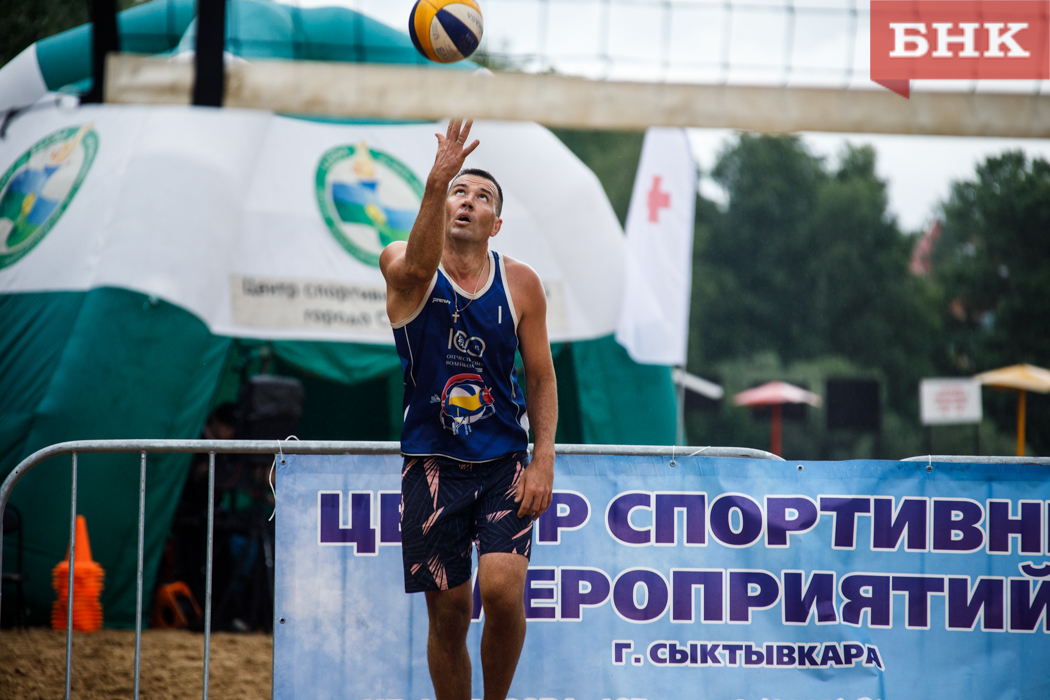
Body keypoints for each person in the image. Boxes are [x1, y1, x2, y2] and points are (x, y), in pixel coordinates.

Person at [380, 119, 558, 700]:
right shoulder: (402, 262)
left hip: (503, 460)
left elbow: (540, 376)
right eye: (460, 191)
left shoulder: (521, 282)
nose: (467, 200)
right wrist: (438, 179)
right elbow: (414, 269)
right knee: (450, 614)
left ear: (495, 224)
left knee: (503, 592)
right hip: (432, 462)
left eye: (482, 197)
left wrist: (543, 458)